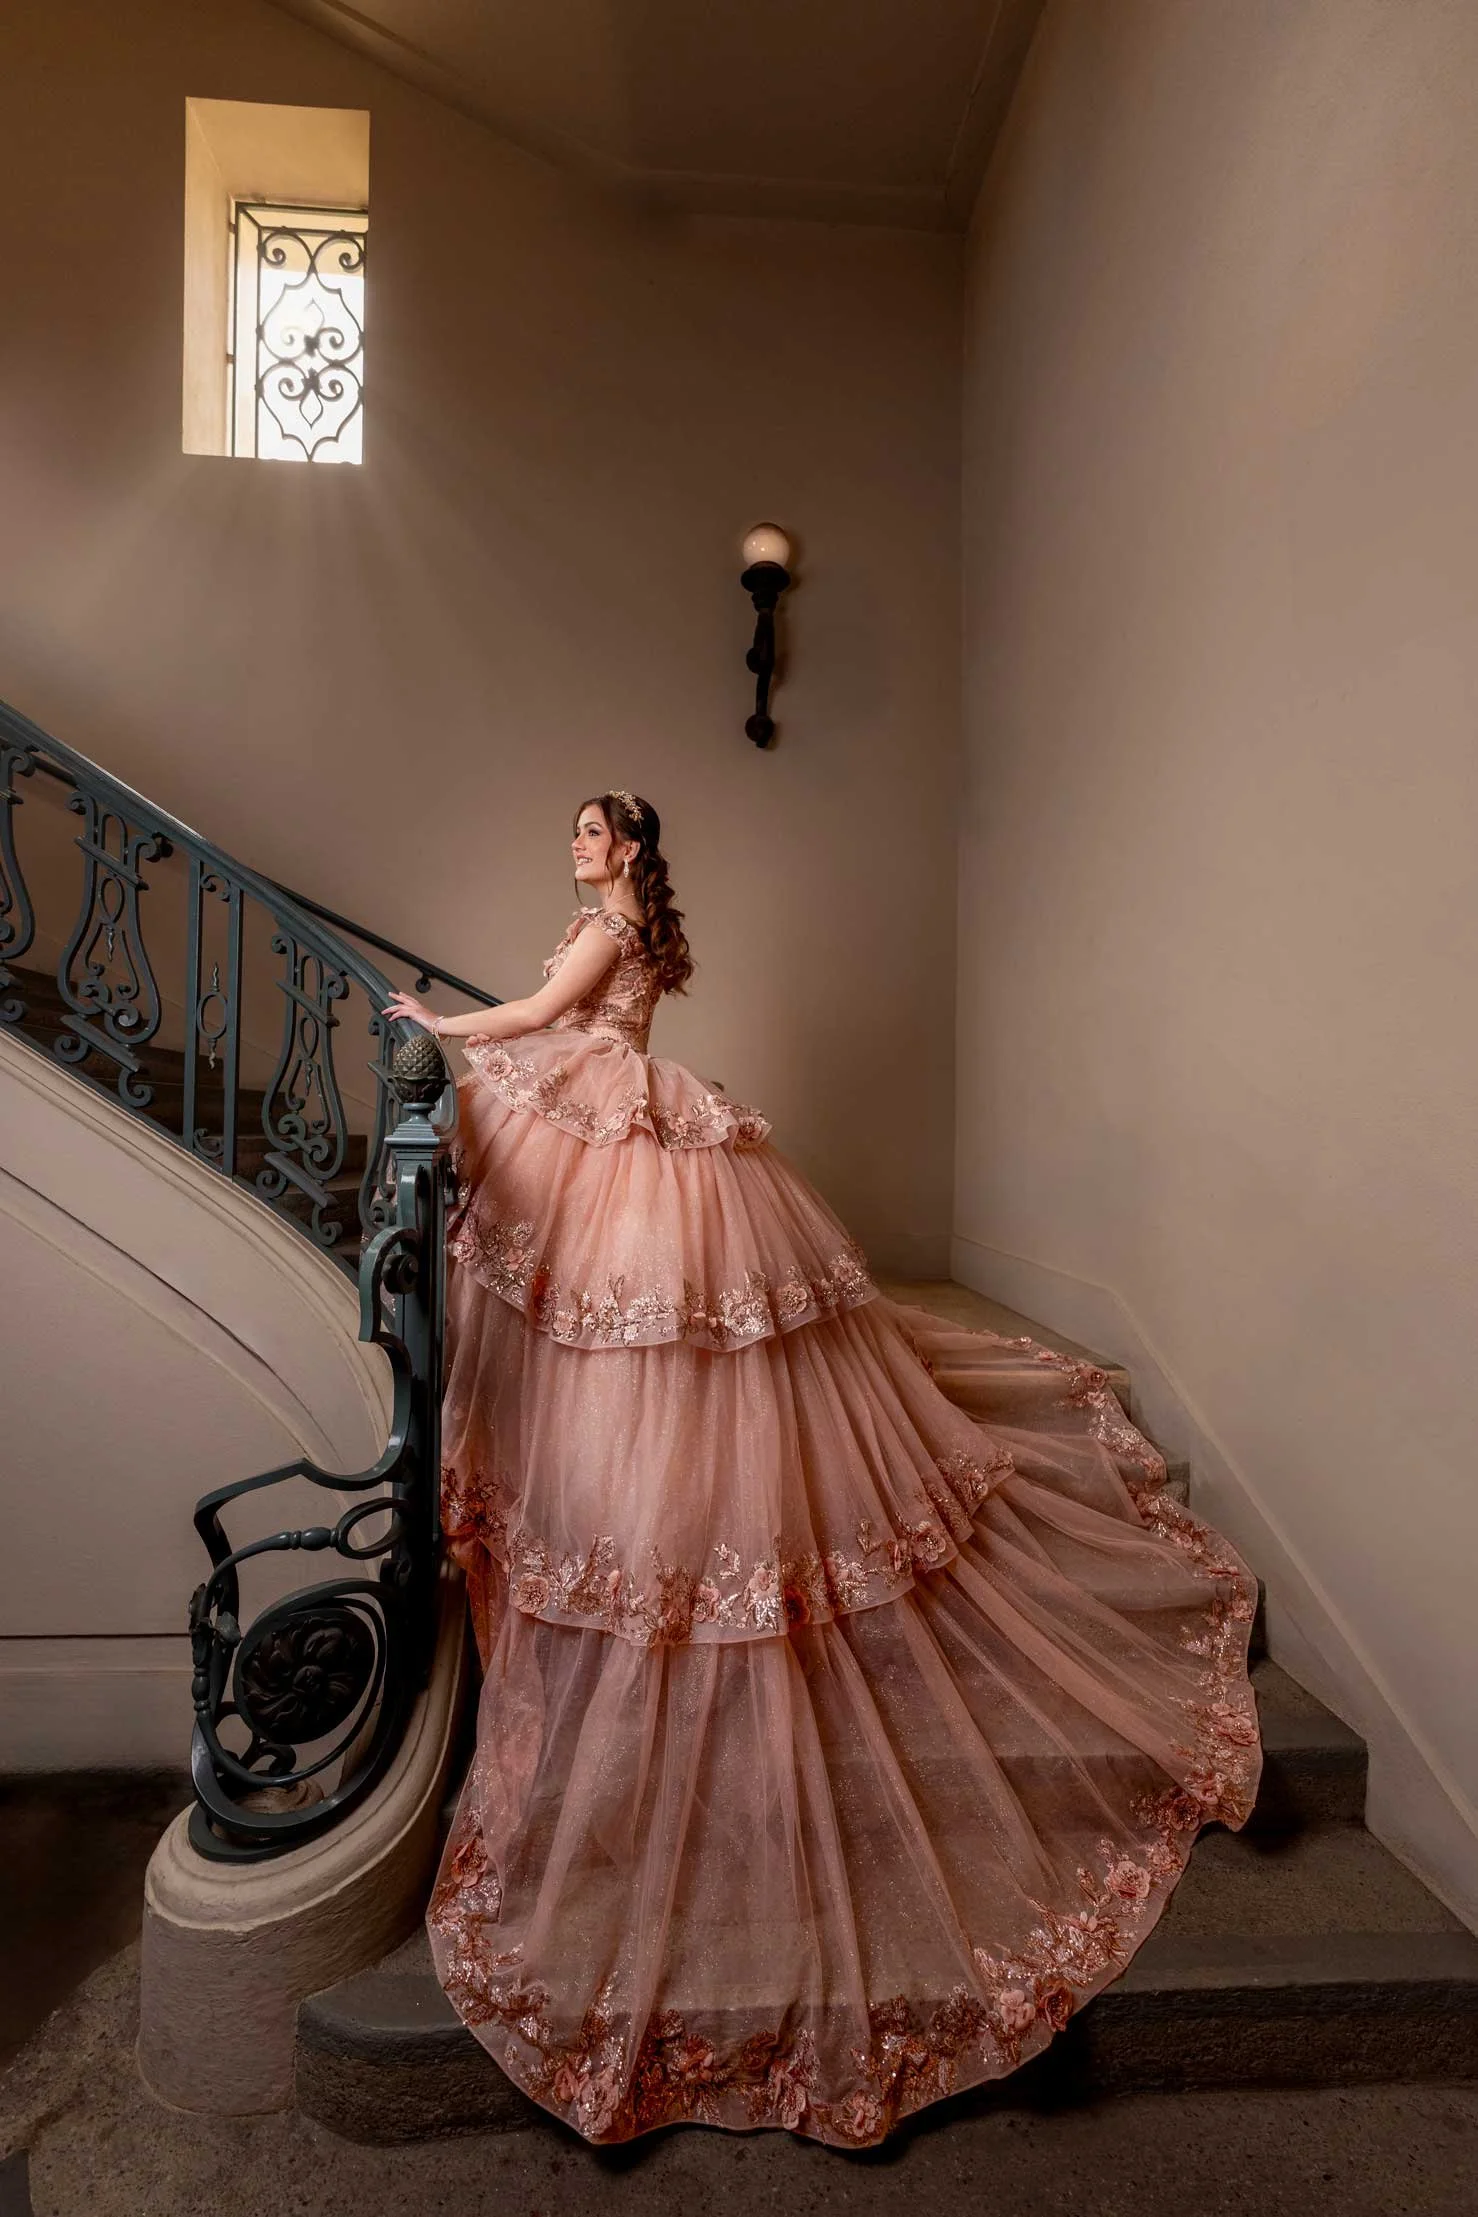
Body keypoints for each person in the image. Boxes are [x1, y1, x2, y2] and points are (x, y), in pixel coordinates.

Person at [381, 789, 1261, 2149]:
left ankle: (655, 1509)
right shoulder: (637, 927)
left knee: (637, 1333)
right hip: (635, 1137)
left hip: (626, 1146)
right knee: (649, 1335)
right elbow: (568, 1020)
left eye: (589, 828)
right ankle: (638, 1489)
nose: (574, 842)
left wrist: (436, 1029)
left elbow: (533, 1014)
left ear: (626, 851)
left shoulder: (600, 928)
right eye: (570, 828)